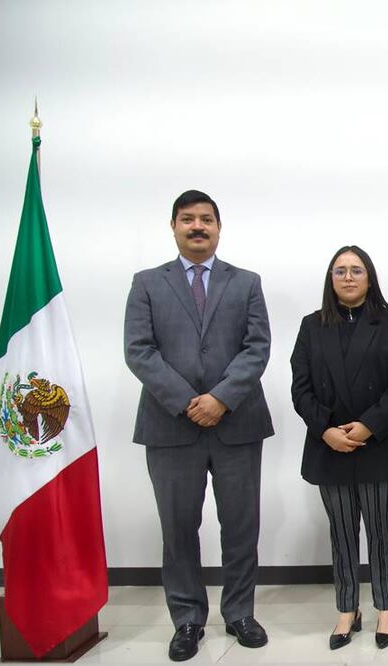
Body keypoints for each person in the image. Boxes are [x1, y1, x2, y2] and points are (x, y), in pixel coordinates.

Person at [124, 190, 273, 662]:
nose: (197, 226)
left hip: (237, 422)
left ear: (219, 227)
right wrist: (190, 402)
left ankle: (239, 613)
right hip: (171, 426)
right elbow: (139, 350)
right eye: (187, 219)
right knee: (178, 527)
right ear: (173, 227)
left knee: (241, 525)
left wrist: (220, 399)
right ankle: (187, 619)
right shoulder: (147, 282)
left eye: (206, 219)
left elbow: (257, 348)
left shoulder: (246, 282)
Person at [290, 245, 388, 651]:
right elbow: (301, 387)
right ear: (330, 278)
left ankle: (385, 607)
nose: (347, 277)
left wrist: (367, 427)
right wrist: (326, 429)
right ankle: (347, 608)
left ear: (369, 277)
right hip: (330, 445)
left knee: (381, 533)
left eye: (356, 270)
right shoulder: (311, 326)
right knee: (341, 532)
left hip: (376, 443)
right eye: (340, 270)